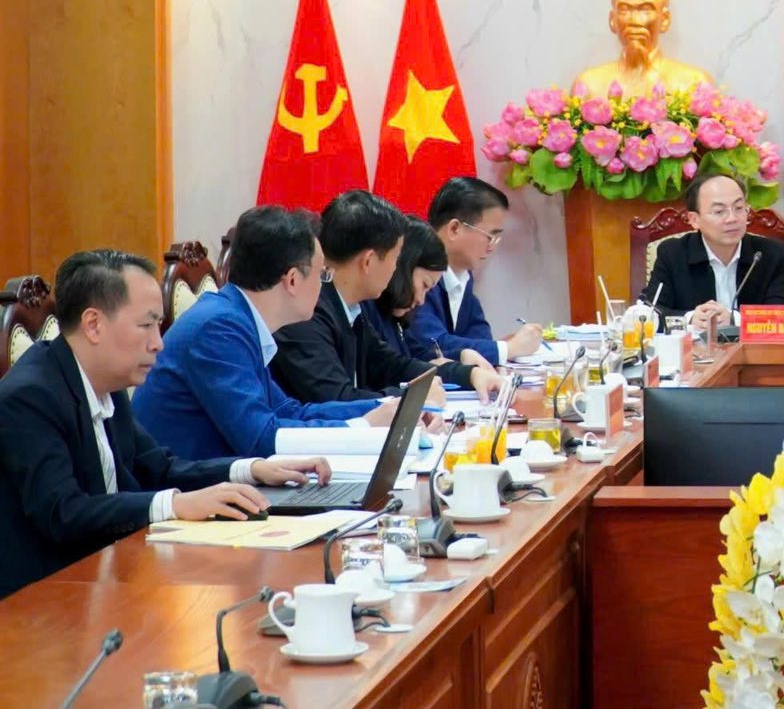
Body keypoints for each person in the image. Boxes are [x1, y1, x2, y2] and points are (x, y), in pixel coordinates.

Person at [0, 250, 332, 599]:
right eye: (146, 325)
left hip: (112, 575)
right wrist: (176, 504)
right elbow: (63, 513)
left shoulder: (106, 380)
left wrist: (252, 469)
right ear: (93, 324)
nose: (158, 343)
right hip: (44, 601)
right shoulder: (30, 397)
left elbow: (159, 467)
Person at [132, 206, 398, 459]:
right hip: (186, 487)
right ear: (292, 279)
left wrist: (384, 407)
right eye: (322, 275)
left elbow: (287, 411)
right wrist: (363, 427)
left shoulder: (237, 317)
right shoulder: (219, 328)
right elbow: (262, 439)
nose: (323, 286)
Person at [271, 191, 500, 405]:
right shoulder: (307, 313)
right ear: (368, 260)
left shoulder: (351, 309)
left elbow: (391, 365)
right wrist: (411, 398)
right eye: (395, 258)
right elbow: (336, 399)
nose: (395, 269)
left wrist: (468, 374)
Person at [640, 171, 784, 336]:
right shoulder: (673, 253)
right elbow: (650, 312)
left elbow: (782, 317)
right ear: (694, 220)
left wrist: (734, 319)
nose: (732, 218)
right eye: (719, 211)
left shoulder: (771, 254)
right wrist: (690, 319)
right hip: (693, 351)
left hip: (751, 351)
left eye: (739, 208)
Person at [410, 177, 543, 366]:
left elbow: (478, 333)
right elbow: (431, 344)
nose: (492, 247)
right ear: (454, 229)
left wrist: (500, 348)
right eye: (490, 236)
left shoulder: (463, 274)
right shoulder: (417, 271)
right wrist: (508, 349)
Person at [364, 217, 500, 389]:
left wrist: (461, 356)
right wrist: (466, 373)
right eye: (424, 285)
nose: (421, 300)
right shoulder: (367, 312)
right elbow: (397, 368)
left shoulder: (394, 316)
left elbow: (419, 356)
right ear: (402, 267)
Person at [573, 0, 712, 99]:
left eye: (646, 9)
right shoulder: (589, 85)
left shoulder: (693, 84)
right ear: (612, 20)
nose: (634, 21)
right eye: (624, 9)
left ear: (664, 20)